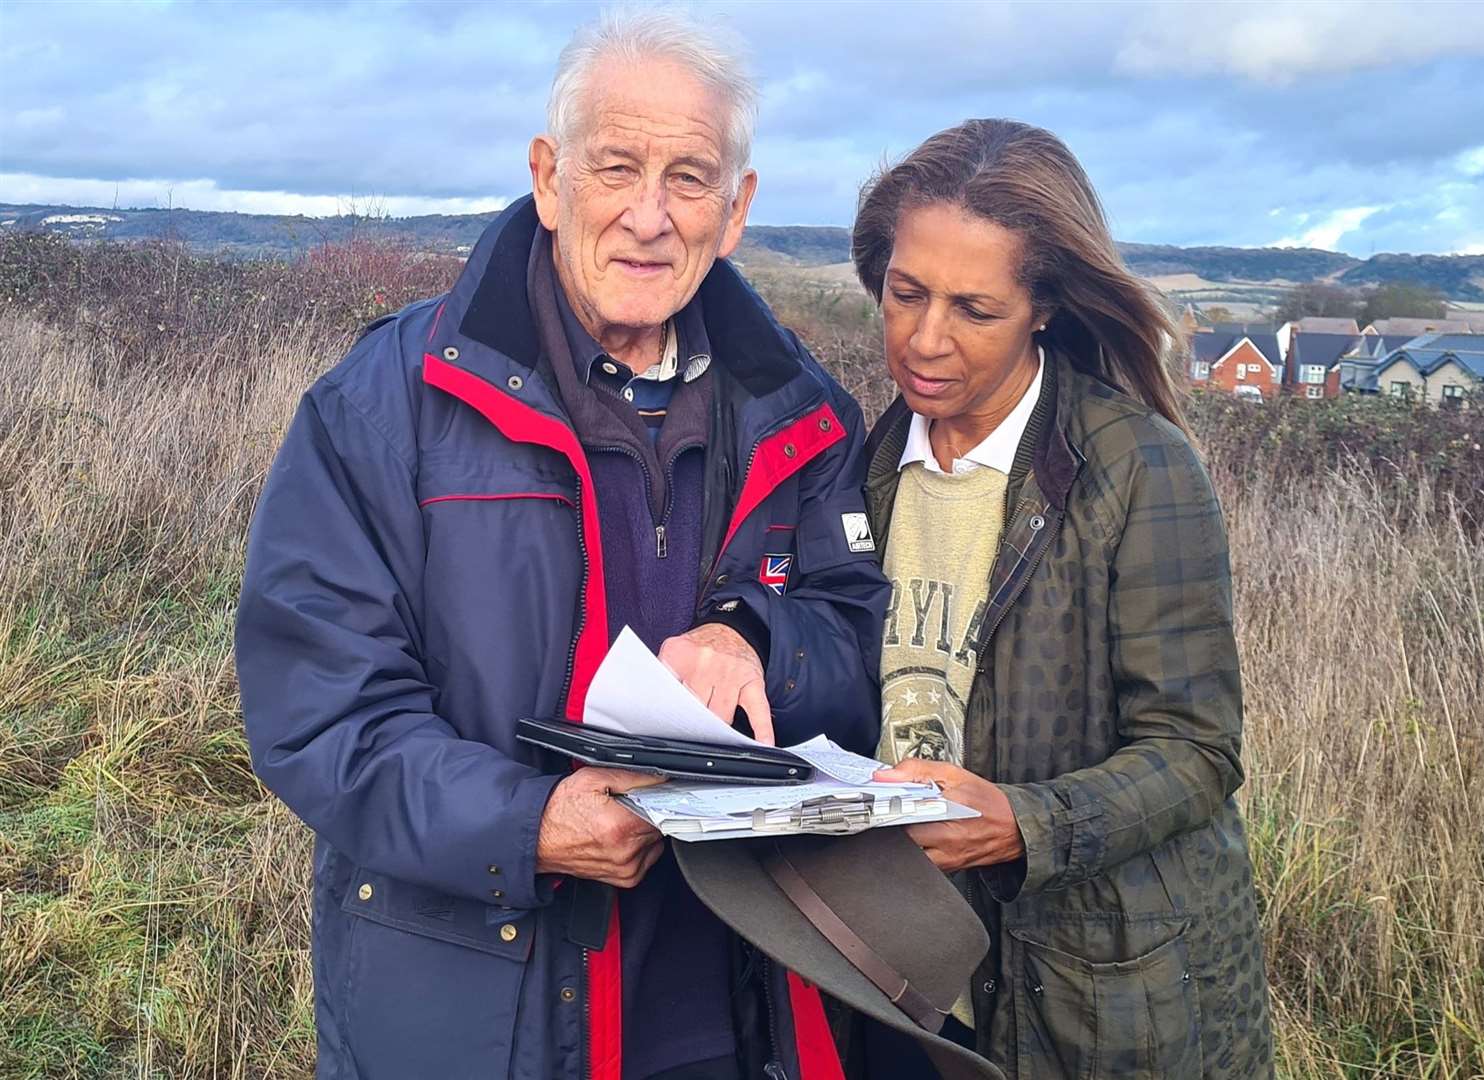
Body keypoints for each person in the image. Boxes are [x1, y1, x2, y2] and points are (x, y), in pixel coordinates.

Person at [234, 11, 887, 1080]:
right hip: (481, 1011)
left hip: (743, 1006)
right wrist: (528, 822)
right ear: (548, 178)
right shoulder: (383, 406)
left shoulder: (800, 411)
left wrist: (752, 638)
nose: (649, 214)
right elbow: (319, 708)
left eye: (689, 177)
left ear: (738, 209)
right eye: (615, 166)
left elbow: (858, 635)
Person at [854, 120, 1274, 1078]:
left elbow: (1196, 752)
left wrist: (1022, 822)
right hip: (902, 979)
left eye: (974, 309)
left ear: (1043, 307)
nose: (925, 339)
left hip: (1087, 995)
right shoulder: (860, 469)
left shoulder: (1136, 471)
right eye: (904, 293)